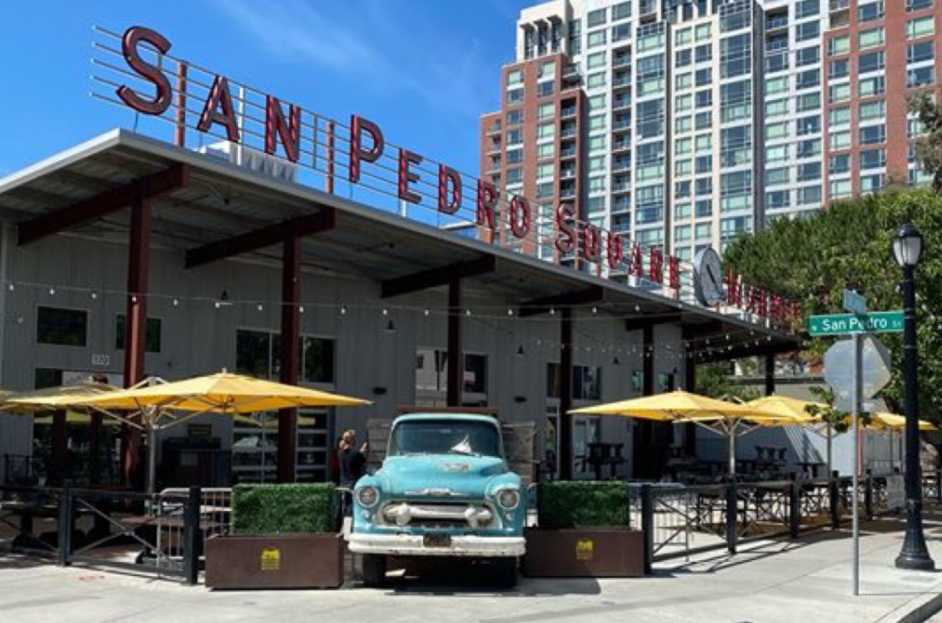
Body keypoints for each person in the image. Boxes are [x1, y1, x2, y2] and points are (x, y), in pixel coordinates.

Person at [337, 430, 369, 516]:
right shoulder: (356, 453)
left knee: (344, 503)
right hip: (354, 483)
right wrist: (362, 452)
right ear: (353, 440)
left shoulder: (340, 453)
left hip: (343, 482)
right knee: (353, 504)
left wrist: (360, 452)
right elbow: (361, 461)